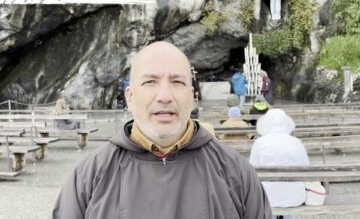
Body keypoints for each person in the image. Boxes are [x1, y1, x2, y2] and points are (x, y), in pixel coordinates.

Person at [53, 41, 272, 219]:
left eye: (177, 82)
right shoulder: (88, 177)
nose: (165, 96)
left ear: (192, 96)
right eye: (150, 82)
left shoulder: (236, 173)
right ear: (130, 97)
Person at [249, 109, 310, 219]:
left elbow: (252, 171)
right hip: (295, 196)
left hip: (268, 197)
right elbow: (307, 168)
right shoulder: (296, 142)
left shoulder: (259, 143)